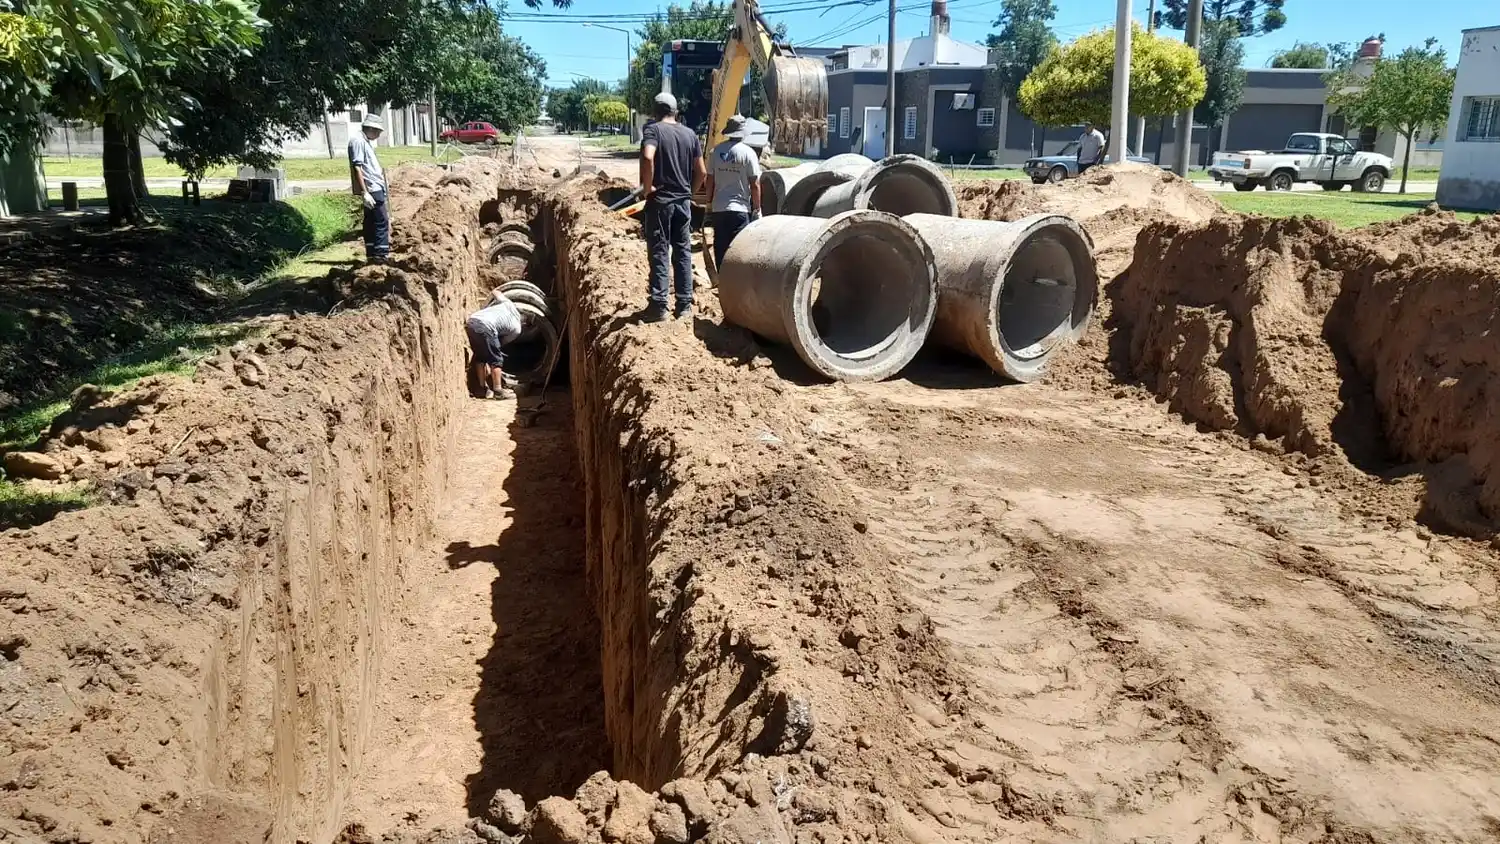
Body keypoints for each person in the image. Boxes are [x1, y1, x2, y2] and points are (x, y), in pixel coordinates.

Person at [639, 91, 706, 322]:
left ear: (656, 111)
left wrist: (648, 188)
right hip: (683, 202)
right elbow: (702, 171)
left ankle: (659, 307)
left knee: (659, 251)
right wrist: (690, 192)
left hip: (661, 202)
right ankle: (684, 306)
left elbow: (648, 157)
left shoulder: (653, 130)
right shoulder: (690, 134)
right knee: (683, 251)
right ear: (675, 111)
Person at [705, 114, 763, 269]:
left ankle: (721, 280)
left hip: (719, 208)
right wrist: (757, 209)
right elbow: (755, 184)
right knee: (739, 249)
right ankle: (735, 281)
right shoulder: (748, 153)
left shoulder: (715, 152)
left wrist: (708, 203)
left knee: (720, 246)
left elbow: (709, 180)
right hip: (740, 209)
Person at [349, 114, 390, 264]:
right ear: (371, 129)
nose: (379, 135)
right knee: (381, 221)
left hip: (373, 188)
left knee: (372, 222)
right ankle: (380, 255)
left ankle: (372, 254)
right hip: (372, 189)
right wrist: (365, 192)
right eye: (378, 132)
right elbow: (357, 167)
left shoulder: (364, 141)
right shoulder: (358, 141)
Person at [466, 295, 523, 400]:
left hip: (472, 321)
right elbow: (501, 343)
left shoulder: (508, 303)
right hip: (486, 326)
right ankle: (498, 391)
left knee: (480, 357)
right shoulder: (517, 329)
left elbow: (495, 292)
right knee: (497, 359)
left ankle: (481, 389)